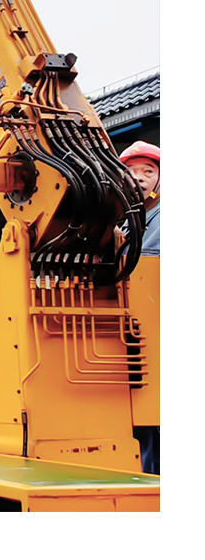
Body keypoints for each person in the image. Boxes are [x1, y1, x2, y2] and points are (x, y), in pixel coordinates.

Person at [120, 139, 160, 475]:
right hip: (131, 332)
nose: (141, 178)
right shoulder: (126, 221)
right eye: (133, 171)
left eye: (148, 171)